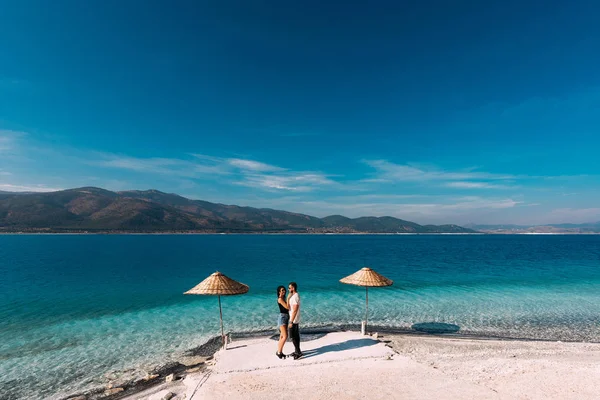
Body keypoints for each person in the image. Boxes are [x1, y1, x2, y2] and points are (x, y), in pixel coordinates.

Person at [287, 282, 302, 359]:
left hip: (294, 319)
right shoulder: (293, 296)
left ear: (293, 288)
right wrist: (288, 298)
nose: (288, 289)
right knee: (295, 336)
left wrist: (291, 321)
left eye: (289, 288)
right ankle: (297, 351)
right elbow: (289, 307)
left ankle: (298, 352)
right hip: (294, 319)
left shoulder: (295, 296)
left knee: (293, 336)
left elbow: (295, 310)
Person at [275, 285, 289, 359]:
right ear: (279, 292)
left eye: (284, 290)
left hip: (285, 317)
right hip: (282, 318)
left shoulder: (283, 298)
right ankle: (279, 352)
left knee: (282, 336)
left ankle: (279, 351)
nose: (283, 291)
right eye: (282, 290)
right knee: (285, 336)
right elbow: (287, 307)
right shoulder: (280, 299)